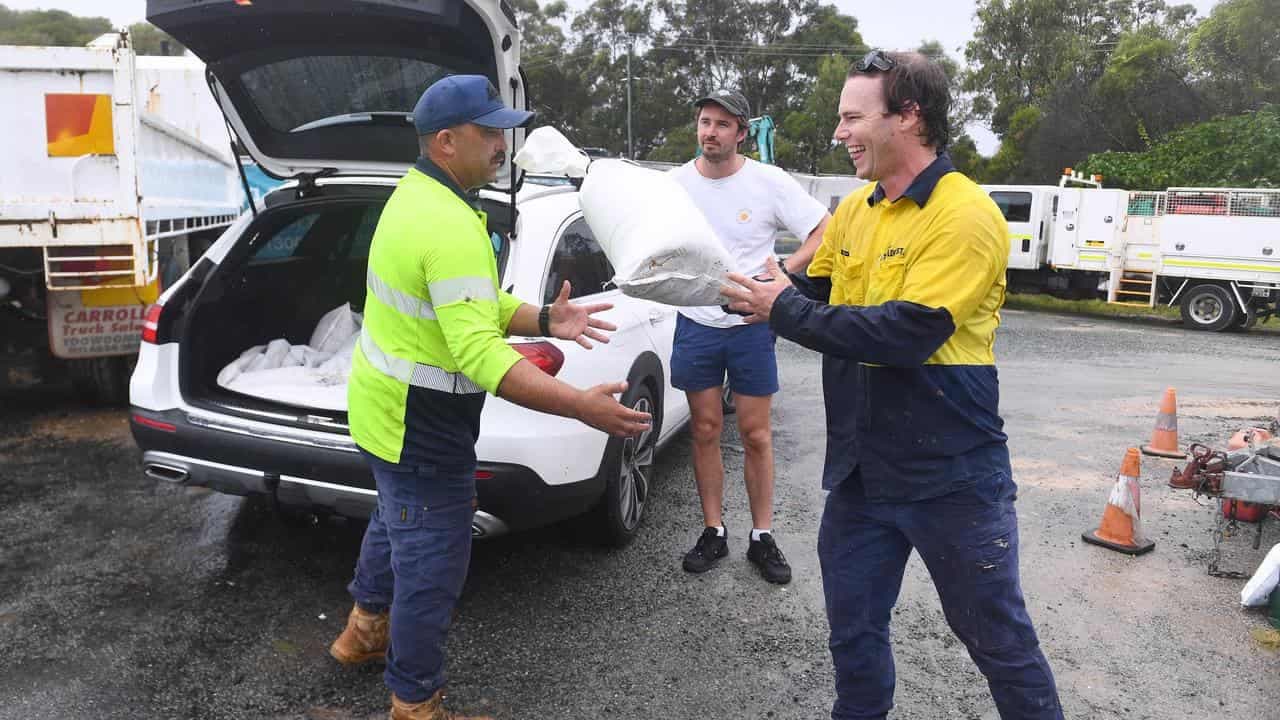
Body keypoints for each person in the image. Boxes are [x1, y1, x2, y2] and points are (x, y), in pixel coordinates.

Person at [721, 51, 1063, 719]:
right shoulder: (855, 210)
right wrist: (756, 285)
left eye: (852, 117)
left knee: (997, 638)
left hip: (952, 475)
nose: (839, 133)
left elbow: (907, 333)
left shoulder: (965, 215)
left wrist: (783, 309)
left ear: (908, 116)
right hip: (861, 475)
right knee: (852, 631)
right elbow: (824, 293)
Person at [329, 74, 651, 720]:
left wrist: (543, 320)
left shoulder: (417, 196)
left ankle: (361, 634)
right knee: (432, 564)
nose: (505, 144)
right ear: (447, 142)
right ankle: (414, 703)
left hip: (381, 410)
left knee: (395, 524)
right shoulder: (446, 223)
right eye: (491, 132)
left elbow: (472, 302)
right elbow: (480, 355)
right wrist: (580, 405)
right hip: (421, 427)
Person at [669, 89, 830, 585]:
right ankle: (713, 530)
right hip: (696, 320)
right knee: (705, 429)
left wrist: (785, 271)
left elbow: (825, 228)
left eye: (721, 124)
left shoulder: (768, 181)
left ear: (742, 132)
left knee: (757, 434)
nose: (709, 132)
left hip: (751, 324)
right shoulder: (674, 184)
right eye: (703, 121)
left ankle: (762, 535)